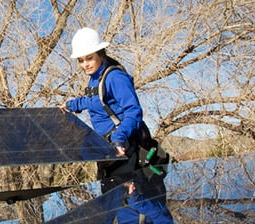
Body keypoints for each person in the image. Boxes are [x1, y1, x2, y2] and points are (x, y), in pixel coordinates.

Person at [59, 27, 173, 223]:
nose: (85, 64)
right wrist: (71, 105)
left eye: (89, 58)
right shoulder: (96, 79)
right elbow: (92, 101)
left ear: (100, 54)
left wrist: (119, 138)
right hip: (110, 151)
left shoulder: (115, 77)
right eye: (81, 60)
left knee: (134, 200)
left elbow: (134, 112)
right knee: (116, 199)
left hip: (128, 149)